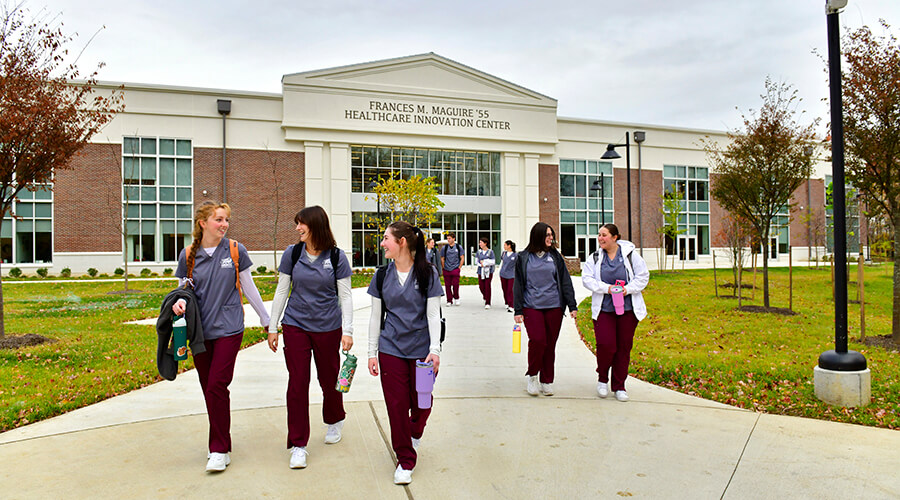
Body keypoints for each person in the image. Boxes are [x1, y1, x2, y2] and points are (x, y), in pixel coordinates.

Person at [172, 201, 270, 473]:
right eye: (218, 219)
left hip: (229, 328)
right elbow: (182, 291)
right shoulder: (189, 254)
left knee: (216, 384)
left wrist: (266, 319)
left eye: (226, 220)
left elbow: (249, 287)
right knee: (210, 389)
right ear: (203, 223)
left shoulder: (236, 250)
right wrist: (177, 304)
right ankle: (223, 445)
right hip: (200, 332)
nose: (224, 224)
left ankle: (216, 448)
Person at [267, 206, 353, 469]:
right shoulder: (293, 254)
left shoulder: (337, 257)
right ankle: (298, 444)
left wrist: (348, 331)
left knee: (329, 379)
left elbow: (346, 296)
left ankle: (334, 419)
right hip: (296, 325)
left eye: (300, 224)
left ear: (314, 225)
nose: (297, 228)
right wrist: (273, 326)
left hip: (328, 327)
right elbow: (282, 291)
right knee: (297, 382)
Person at [367, 221, 443, 485]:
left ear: (401, 242)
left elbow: (434, 314)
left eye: (386, 238)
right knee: (397, 406)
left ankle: (415, 431)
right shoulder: (381, 275)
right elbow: (376, 317)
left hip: (422, 352)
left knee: (422, 404)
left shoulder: (428, 273)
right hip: (390, 349)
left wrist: (435, 350)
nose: (382, 243)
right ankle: (405, 460)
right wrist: (371, 352)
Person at [581, 223, 649, 402]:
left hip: (627, 310)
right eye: (599, 235)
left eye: (604, 235)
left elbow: (643, 277)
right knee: (606, 345)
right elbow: (587, 279)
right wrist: (607, 288)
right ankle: (602, 378)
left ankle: (619, 386)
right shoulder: (595, 257)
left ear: (615, 237)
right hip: (604, 309)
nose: (600, 238)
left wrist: (627, 289)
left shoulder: (630, 255)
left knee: (623, 348)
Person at [513, 222, 577, 397]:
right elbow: (518, 284)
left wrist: (572, 305)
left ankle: (547, 380)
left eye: (552, 235)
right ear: (538, 236)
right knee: (538, 341)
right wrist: (517, 310)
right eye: (547, 235)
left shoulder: (555, 257)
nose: (551, 238)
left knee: (550, 345)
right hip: (531, 306)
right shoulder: (524, 257)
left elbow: (565, 281)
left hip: (554, 306)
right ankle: (533, 375)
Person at [439, 232, 464, 306]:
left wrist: (459, 267)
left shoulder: (458, 247)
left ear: (454, 239)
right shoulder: (445, 248)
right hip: (446, 269)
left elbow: (462, 258)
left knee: (456, 285)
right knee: (447, 286)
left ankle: (456, 298)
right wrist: (443, 267)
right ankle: (449, 300)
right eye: (447, 238)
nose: (448, 240)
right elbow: (442, 258)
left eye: (449, 238)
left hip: (455, 269)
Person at [475, 237, 496, 309]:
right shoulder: (479, 252)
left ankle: (488, 302)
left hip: (488, 271)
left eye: (481, 242)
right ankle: (485, 296)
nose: (479, 244)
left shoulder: (490, 252)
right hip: (480, 271)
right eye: (479, 242)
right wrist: (480, 264)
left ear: (485, 243)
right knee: (481, 286)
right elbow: (476, 261)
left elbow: (493, 261)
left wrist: (485, 262)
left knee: (487, 286)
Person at [499, 240, 517, 313]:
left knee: (510, 290)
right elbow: (502, 262)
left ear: (509, 246)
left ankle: (511, 305)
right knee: (504, 289)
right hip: (503, 274)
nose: (504, 247)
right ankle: (506, 302)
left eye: (505, 245)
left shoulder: (516, 255)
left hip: (511, 275)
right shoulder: (504, 253)